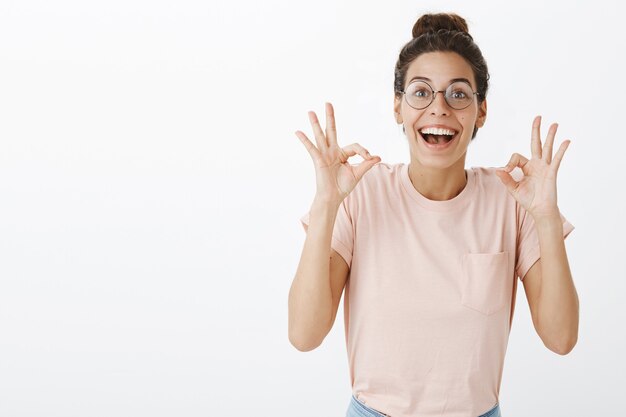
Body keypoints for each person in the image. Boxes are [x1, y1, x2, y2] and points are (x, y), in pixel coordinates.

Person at [287, 12, 578, 417]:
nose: (439, 108)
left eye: (458, 94)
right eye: (421, 92)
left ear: (481, 111)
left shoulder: (513, 200)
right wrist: (325, 206)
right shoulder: (360, 193)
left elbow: (561, 338)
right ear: (397, 107)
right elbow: (304, 334)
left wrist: (546, 216)